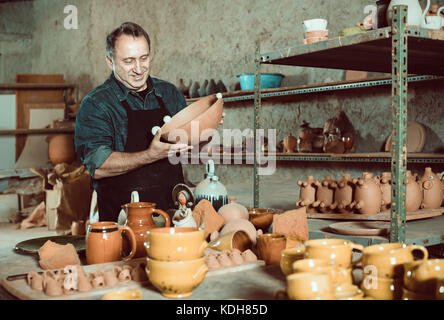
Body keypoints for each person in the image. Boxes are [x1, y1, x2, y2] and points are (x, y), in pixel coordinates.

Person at [74, 22, 191, 222]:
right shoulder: (96, 104)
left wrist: (206, 125)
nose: (138, 69)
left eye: (144, 58)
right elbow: (98, 166)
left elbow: (187, 142)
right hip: (123, 220)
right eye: (129, 61)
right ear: (110, 61)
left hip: (173, 215)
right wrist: (149, 155)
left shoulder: (170, 94)